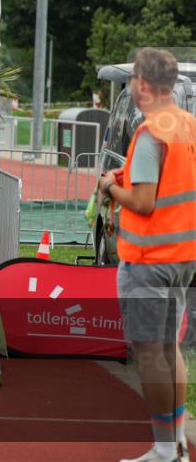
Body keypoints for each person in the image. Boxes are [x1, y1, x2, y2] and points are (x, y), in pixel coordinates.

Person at [100, 48, 196, 462]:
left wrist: (109, 187)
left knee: (151, 352)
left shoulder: (149, 131)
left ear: (141, 84)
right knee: (169, 348)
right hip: (182, 255)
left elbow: (141, 201)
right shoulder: (189, 124)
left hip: (148, 257)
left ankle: (163, 450)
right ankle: (175, 440)